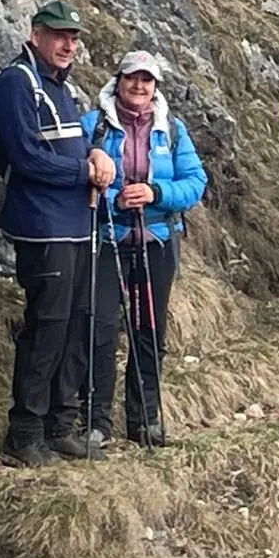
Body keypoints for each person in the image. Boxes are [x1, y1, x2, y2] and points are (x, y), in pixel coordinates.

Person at [0, 0, 115, 466]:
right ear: (35, 34)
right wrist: (84, 171)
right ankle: (23, 434)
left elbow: (73, 146)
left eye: (74, 38)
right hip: (42, 227)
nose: (68, 45)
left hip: (77, 225)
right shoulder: (15, 83)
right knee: (47, 327)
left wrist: (97, 154)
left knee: (77, 323)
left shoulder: (62, 87)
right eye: (59, 36)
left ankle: (60, 424)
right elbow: (26, 158)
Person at [82, 51, 207, 447]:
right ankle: (95, 420)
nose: (139, 86)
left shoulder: (170, 129)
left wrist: (155, 192)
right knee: (99, 328)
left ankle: (144, 418)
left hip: (157, 240)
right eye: (132, 78)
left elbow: (195, 182)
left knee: (149, 331)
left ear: (155, 86)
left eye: (147, 80)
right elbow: (78, 181)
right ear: (117, 81)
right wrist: (116, 199)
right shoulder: (94, 125)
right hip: (108, 240)